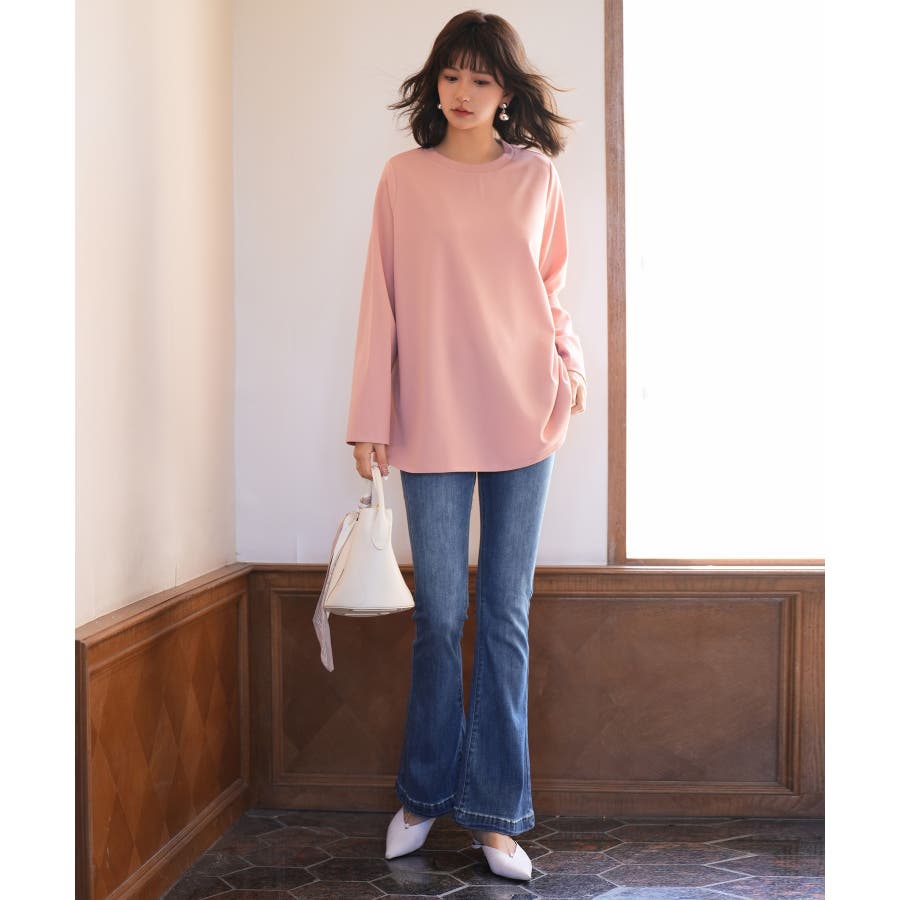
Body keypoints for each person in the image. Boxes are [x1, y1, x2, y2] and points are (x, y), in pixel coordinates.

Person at [345, 9, 587, 882]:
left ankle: (495, 815)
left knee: (507, 616)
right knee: (441, 615)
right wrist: (368, 415)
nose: (462, 91)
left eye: (481, 79)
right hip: (434, 415)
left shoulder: (536, 178)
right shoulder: (403, 179)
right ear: (435, 81)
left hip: (526, 411)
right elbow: (381, 302)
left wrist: (571, 363)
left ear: (506, 91)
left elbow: (552, 290)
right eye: (451, 74)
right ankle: (422, 793)